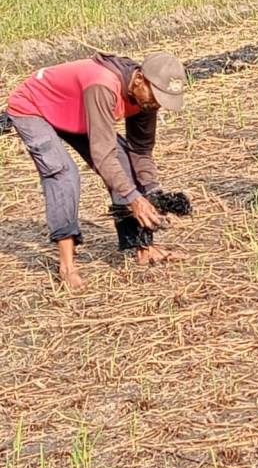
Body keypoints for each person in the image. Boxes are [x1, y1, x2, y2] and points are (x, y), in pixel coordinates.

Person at [6, 52, 188, 290]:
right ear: (140, 79)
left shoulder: (146, 98)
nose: (157, 104)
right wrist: (134, 199)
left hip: (79, 114)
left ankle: (144, 249)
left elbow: (140, 150)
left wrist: (153, 192)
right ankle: (67, 266)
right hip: (34, 108)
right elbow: (103, 156)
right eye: (157, 96)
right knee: (62, 173)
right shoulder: (103, 85)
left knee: (123, 163)